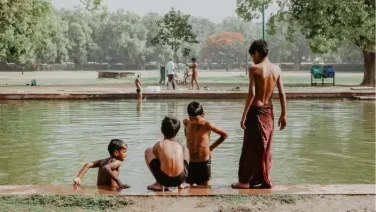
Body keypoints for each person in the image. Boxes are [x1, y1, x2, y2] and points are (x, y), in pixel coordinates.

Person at [231, 40, 287, 189]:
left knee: (250, 147)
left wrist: (243, 116)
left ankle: (244, 181)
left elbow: (252, 93)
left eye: (252, 56)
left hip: (255, 112)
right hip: (269, 112)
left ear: (256, 53)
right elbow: (282, 93)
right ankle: (262, 179)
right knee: (265, 146)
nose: (252, 59)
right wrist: (284, 114)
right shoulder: (277, 69)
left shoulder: (254, 69)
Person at [183, 101, 228, 186]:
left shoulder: (207, 125)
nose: (193, 121)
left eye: (196, 119)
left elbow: (224, 135)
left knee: (206, 186)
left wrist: (210, 148)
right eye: (191, 118)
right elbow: (186, 132)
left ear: (202, 115)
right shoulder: (186, 122)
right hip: (190, 161)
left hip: (204, 161)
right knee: (188, 185)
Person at [145, 115, 190, 191]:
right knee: (186, 149)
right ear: (176, 133)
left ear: (162, 130)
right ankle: (181, 184)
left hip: (164, 180)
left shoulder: (159, 144)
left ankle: (158, 184)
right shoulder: (179, 144)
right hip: (180, 178)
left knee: (148, 151)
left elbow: (155, 156)